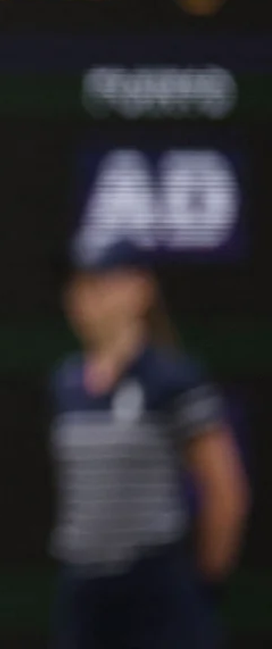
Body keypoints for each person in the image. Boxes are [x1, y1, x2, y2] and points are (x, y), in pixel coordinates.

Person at [49, 240, 249, 649]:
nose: (85, 298)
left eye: (101, 284)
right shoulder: (65, 383)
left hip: (156, 588)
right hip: (83, 590)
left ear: (140, 290)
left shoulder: (175, 380)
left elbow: (226, 491)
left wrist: (204, 586)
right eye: (79, 285)